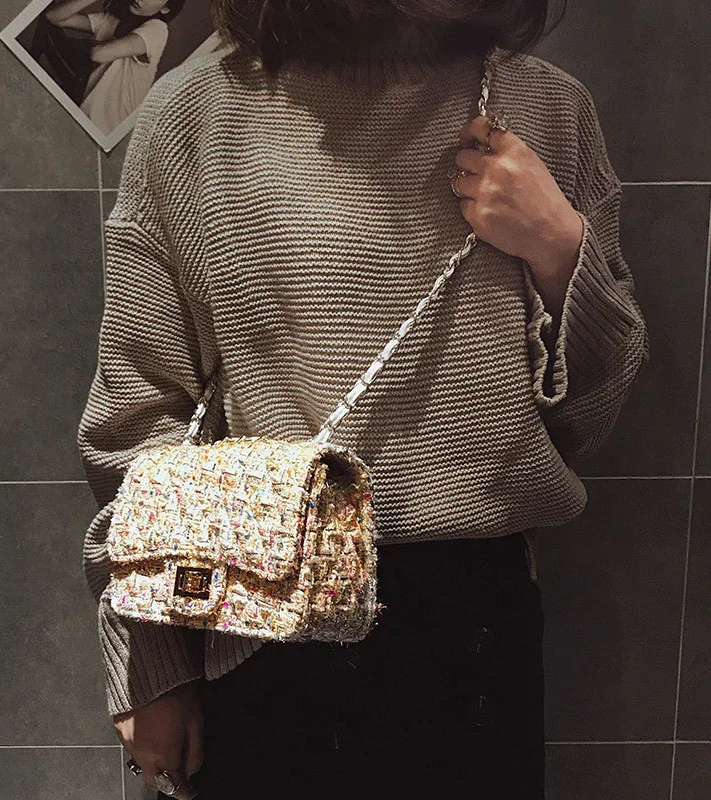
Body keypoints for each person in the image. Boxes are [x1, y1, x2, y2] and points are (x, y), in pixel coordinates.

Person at [76, 1, 650, 798]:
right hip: (260, 617)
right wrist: (153, 662)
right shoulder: (196, 114)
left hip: (477, 633)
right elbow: (137, 412)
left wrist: (557, 244)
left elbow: (592, 411)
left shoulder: (547, 109)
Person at [45, 0, 184, 135]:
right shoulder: (111, 20)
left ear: (166, 8)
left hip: (107, 131)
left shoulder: (158, 30)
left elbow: (99, 54)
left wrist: (81, 44)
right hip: (80, 118)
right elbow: (54, 16)